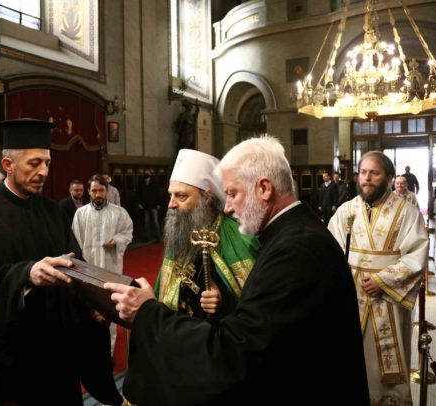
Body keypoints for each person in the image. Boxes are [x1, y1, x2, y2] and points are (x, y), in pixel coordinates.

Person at [105, 136, 369, 405]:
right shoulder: (294, 234)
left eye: (232, 193)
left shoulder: (297, 250)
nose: (228, 206)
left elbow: (236, 352)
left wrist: (148, 313)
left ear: (264, 188)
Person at [0, 119, 121, 405]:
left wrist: (94, 304)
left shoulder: (52, 211)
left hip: (57, 350)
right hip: (10, 356)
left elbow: (74, 266)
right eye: (34, 163)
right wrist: (26, 274)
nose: (43, 171)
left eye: (47, 163)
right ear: (8, 164)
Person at [329, 151, 428, 405]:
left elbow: (417, 255)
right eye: (363, 172)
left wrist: (383, 280)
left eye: (374, 173)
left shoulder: (407, 212)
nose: (367, 178)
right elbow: (330, 251)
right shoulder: (346, 211)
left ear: (389, 177)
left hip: (389, 300)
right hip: (352, 297)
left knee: (386, 369)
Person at [155, 148, 259, 319]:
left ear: (206, 197)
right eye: (171, 195)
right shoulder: (180, 235)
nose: (171, 204)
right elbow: (165, 293)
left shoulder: (240, 235)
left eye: (181, 196)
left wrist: (223, 301)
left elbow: (257, 304)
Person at [72, 174, 133, 353]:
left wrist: (117, 240)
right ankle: (90, 349)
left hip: (110, 268)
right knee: (88, 308)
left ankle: (110, 351)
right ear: (88, 191)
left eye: (101, 190)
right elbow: (75, 241)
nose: (98, 194)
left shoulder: (119, 213)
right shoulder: (80, 213)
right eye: (94, 190)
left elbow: (128, 232)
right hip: (88, 269)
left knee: (110, 308)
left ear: (107, 190)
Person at [138, 171, 162, 242]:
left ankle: (158, 236)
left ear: (150, 177)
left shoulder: (154, 184)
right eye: (145, 176)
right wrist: (139, 203)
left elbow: (158, 194)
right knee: (146, 222)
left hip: (153, 205)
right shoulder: (141, 184)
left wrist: (158, 204)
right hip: (145, 206)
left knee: (155, 222)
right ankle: (148, 237)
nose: (146, 178)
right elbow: (139, 194)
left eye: (148, 176)